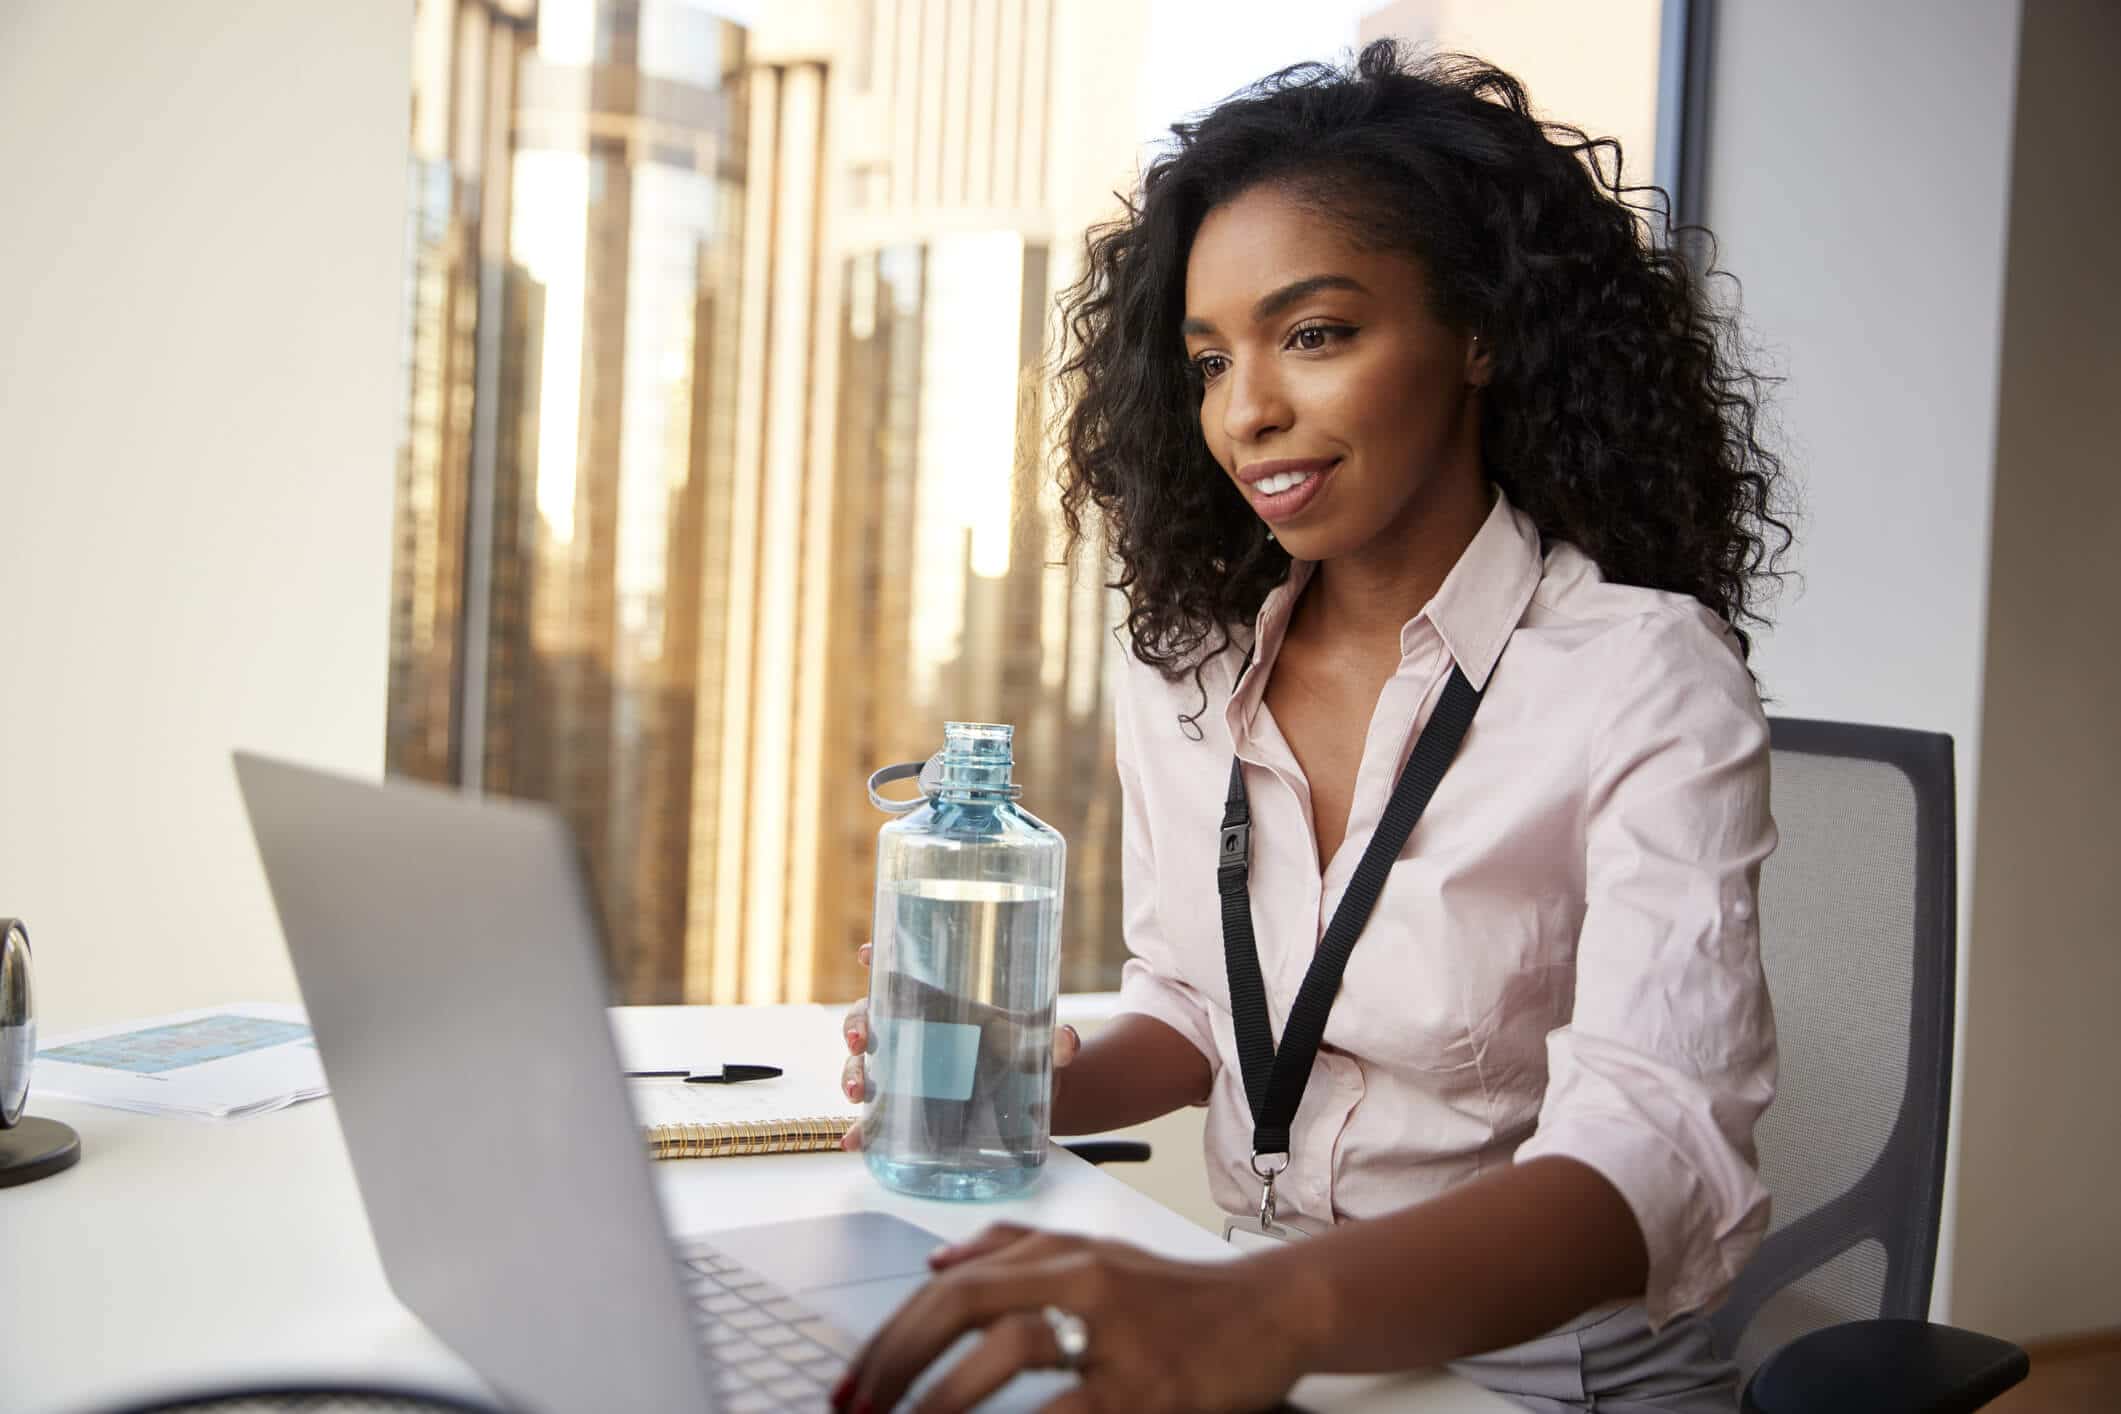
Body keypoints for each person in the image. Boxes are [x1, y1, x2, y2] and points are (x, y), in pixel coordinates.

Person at [833, 39, 1790, 1414]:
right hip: (1255, 1330)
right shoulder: (1188, 666)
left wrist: (1257, 1310)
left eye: (1316, 333)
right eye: (1210, 359)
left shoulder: (1641, 676)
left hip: (1529, 1378)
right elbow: (1190, 998)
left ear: (1478, 333)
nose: (1248, 411)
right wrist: (1033, 1080)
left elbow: (1647, 1156)